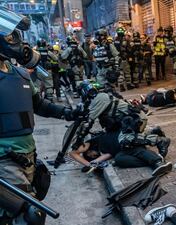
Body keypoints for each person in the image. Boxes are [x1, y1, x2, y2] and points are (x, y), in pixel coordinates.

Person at [0, 7, 78, 224]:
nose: (16, 40)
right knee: (30, 215)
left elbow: (39, 105)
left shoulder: (18, 72)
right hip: (5, 162)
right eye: (10, 35)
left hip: (28, 156)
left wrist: (67, 112)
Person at [71, 80, 172, 160]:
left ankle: (159, 141)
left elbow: (89, 121)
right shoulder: (98, 97)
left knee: (125, 141)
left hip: (136, 119)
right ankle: (153, 131)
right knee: (118, 135)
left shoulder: (99, 99)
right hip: (130, 121)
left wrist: (78, 140)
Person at [69, 131, 172, 176]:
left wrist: (87, 164)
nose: (93, 155)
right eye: (91, 157)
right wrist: (92, 164)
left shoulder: (92, 142)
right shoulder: (104, 154)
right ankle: (150, 159)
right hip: (124, 149)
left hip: (125, 140)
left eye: (90, 154)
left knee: (133, 150)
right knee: (119, 160)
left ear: (87, 150)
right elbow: (106, 156)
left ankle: (157, 163)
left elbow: (72, 153)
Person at [114, 27, 135, 91]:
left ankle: (121, 86)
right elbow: (129, 49)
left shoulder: (115, 40)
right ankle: (128, 85)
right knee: (127, 72)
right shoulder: (125, 40)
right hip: (124, 58)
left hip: (117, 58)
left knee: (120, 72)